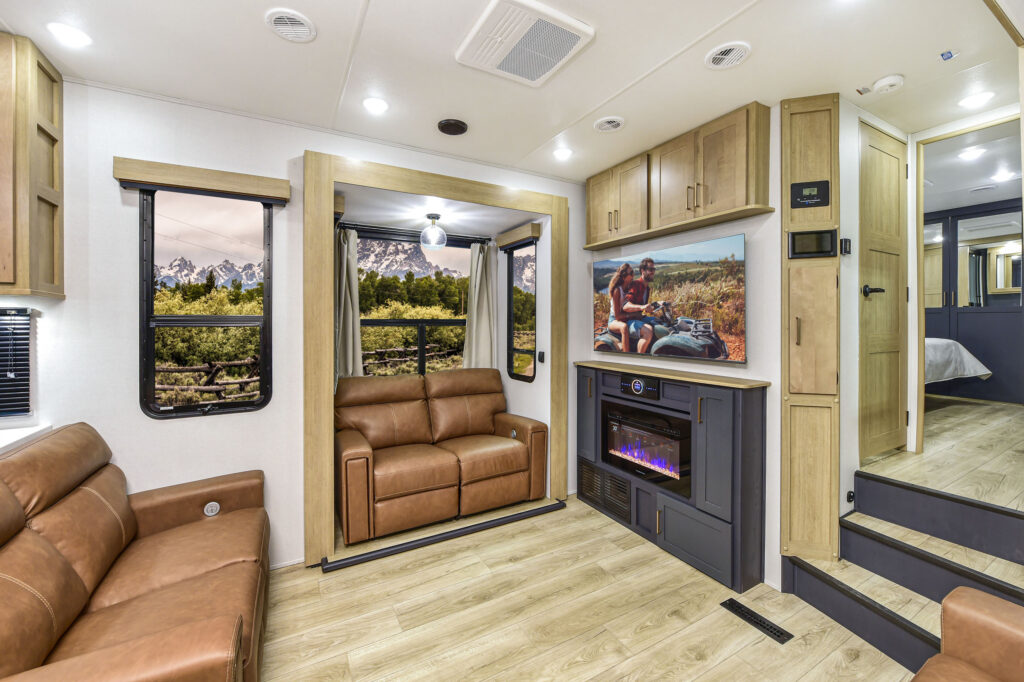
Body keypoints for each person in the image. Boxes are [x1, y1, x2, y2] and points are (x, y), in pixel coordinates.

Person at [621, 257, 659, 353]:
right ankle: (639, 357)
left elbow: (644, 307)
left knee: (658, 321)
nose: (653, 272)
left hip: (638, 317)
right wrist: (642, 307)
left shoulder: (647, 288)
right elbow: (625, 306)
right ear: (642, 270)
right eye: (650, 269)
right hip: (627, 320)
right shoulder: (636, 285)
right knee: (648, 331)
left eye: (654, 269)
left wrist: (658, 303)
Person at [605, 263, 634, 352]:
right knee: (624, 327)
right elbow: (617, 316)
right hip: (614, 320)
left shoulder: (629, 287)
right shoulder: (617, 290)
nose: (633, 275)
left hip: (624, 317)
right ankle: (626, 355)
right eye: (631, 273)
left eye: (633, 272)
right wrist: (632, 315)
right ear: (624, 277)